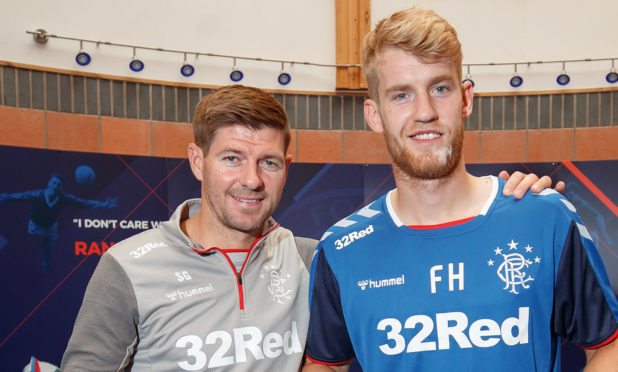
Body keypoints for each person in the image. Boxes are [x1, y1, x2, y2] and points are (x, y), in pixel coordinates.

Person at [60, 84, 555, 371]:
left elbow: (426, 283)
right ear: (197, 161)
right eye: (232, 158)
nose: (251, 180)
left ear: (288, 166)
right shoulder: (127, 267)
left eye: (269, 163)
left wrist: (507, 202)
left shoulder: (316, 259)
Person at [303, 7, 618, 372]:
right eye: (401, 95)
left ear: (465, 99)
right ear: (375, 115)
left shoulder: (545, 219)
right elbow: (324, 365)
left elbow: (607, 347)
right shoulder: (342, 250)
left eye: (439, 88)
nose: (424, 112)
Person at [0, 173, 117, 269]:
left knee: (48, 249)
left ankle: (46, 265)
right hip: (35, 225)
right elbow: (14, 196)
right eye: (54, 183)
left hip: (51, 227)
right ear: (49, 183)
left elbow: (83, 203)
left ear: (61, 188)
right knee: (30, 246)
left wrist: (104, 205)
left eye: (58, 185)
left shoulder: (64, 198)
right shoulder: (36, 195)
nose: (55, 186)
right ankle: (26, 265)